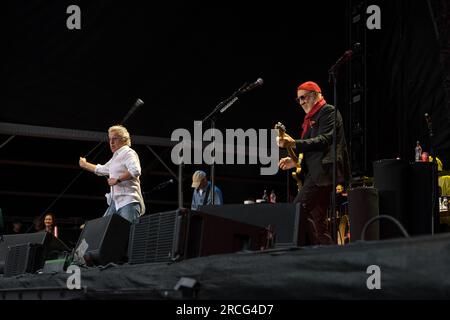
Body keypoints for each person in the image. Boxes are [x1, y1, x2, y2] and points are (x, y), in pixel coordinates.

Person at [277, 81, 350, 246]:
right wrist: (294, 161)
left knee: (297, 212)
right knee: (318, 224)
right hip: (317, 174)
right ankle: (330, 258)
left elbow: (324, 140)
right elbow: (310, 151)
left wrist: (293, 143)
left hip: (323, 173)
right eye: (299, 99)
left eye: (304, 97)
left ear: (316, 95)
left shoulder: (328, 111)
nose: (301, 102)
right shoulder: (310, 119)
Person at [79, 125, 145, 223]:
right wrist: (85, 165)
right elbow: (102, 169)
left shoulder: (128, 153)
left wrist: (117, 179)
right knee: (103, 229)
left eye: (114, 139)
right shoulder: (116, 157)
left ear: (124, 140)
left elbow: (135, 170)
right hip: (116, 203)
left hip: (128, 201)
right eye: (110, 139)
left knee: (127, 234)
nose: (111, 142)